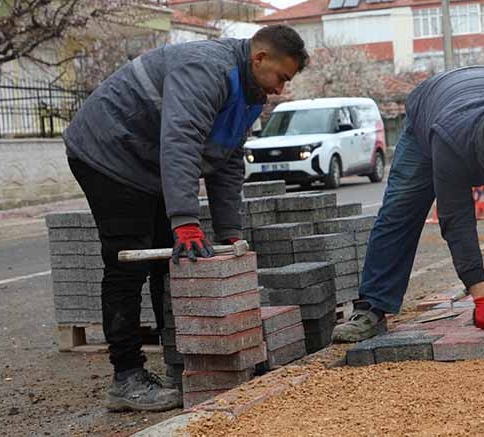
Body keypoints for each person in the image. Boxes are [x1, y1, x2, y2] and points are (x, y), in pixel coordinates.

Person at [63, 25, 308, 412]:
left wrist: (229, 233)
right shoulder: (206, 70)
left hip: (148, 160)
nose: (280, 89)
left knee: (172, 260)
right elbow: (181, 141)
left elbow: (227, 164)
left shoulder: (250, 94)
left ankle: (180, 363)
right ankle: (126, 378)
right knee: (130, 260)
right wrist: (185, 220)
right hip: (108, 149)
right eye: (280, 77)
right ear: (259, 58)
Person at [332, 66, 484, 343]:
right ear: (480, 164)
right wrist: (482, 295)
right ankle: (372, 306)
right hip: (433, 114)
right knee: (400, 210)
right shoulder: (450, 145)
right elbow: (456, 220)